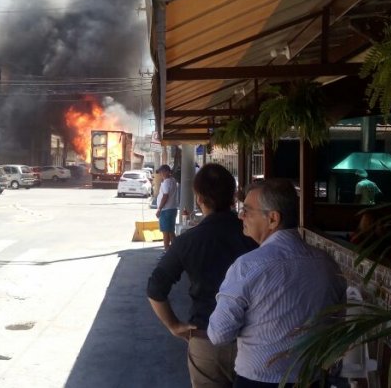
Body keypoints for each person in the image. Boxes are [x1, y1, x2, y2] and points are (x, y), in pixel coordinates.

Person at [207, 178, 346, 387]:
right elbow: (338, 322)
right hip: (314, 380)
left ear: (272, 219)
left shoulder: (248, 267)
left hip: (258, 381)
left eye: (247, 210)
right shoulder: (327, 263)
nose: (240, 216)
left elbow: (219, 333)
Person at [147, 164, 259, 388]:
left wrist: (174, 325)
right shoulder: (256, 235)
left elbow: (156, 288)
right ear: (233, 196)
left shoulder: (188, 241)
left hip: (206, 341)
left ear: (198, 198)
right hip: (256, 342)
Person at [155, 164, 179, 251]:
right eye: (160, 172)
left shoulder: (166, 182)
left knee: (166, 233)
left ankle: (168, 252)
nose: (161, 174)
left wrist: (159, 209)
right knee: (170, 232)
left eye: (162, 172)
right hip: (172, 209)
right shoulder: (173, 180)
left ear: (167, 172)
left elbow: (165, 196)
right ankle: (174, 252)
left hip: (166, 210)